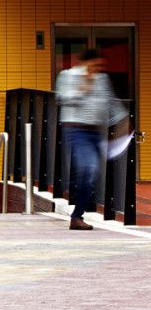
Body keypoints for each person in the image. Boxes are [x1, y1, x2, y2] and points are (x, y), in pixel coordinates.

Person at [56, 48, 128, 231]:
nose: (98, 68)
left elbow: (110, 101)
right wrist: (84, 87)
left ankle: (76, 210)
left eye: (101, 65)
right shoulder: (68, 75)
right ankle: (76, 215)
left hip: (96, 131)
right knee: (88, 168)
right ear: (84, 62)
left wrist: (123, 120)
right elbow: (63, 98)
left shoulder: (102, 79)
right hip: (76, 129)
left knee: (91, 173)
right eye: (95, 64)